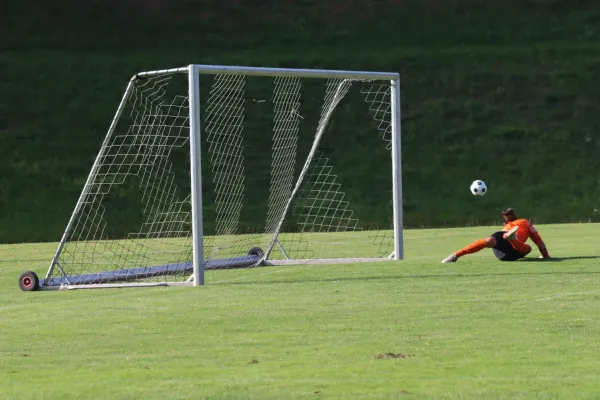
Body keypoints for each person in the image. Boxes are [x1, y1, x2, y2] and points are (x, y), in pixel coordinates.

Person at [442, 208, 551, 263]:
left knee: (489, 240)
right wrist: (545, 256)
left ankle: (455, 255)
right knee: (528, 248)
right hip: (516, 251)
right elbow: (538, 241)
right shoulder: (525, 222)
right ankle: (512, 239)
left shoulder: (507, 226)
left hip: (501, 254)